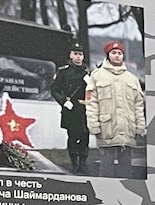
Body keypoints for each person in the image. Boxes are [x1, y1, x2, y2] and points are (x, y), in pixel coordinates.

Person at [86, 42, 145, 178]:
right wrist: (93, 125)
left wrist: (140, 127)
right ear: (108, 55)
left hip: (127, 130)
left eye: (120, 53)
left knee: (126, 170)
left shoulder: (132, 79)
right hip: (106, 129)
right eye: (114, 53)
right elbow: (91, 103)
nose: (117, 56)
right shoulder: (96, 76)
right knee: (107, 168)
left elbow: (138, 105)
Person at [49, 43, 91, 174]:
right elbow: (54, 90)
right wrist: (63, 102)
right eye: (75, 54)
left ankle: (83, 163)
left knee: (85, 136)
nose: (78, 57)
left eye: (80, 54)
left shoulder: (87, 73)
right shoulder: (63, 71)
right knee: (73, 136)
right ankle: (74, 164)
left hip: (84, 108)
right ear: (71, 55)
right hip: (70, 108)